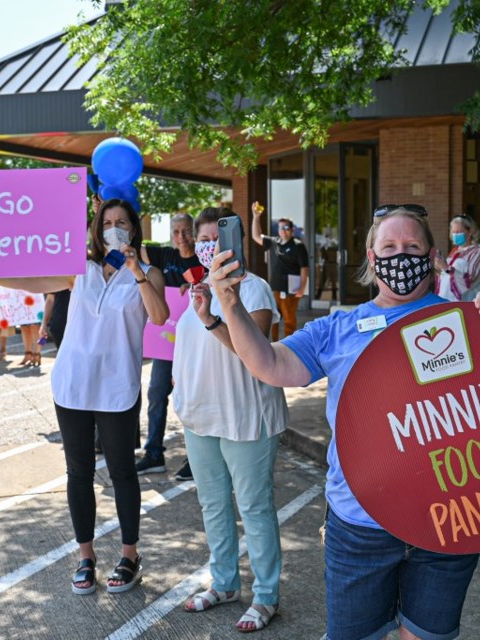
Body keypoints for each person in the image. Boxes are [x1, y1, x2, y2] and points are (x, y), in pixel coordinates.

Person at [209, 204, 480, 640]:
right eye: (389, 247)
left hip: (448, 518)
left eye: (412, 246)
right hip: (361, 525)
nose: (401, 255)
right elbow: (270, 365)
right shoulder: (338, 328)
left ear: (431, 256)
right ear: (372, 260)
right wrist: (229, 303)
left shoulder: (466, 322)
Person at [0, 198, 168, 595]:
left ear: (134, 228)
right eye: (107, 221)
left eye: (122, 222)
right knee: (78, 473)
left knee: (122, 472)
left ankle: (130, 555)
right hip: (73, 385)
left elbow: (160, 316)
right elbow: (23, 279)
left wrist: (136, 270)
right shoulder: (79, 269)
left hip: (117, 388)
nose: (114, 227)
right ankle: (86, 557)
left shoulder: (149, 273)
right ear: (96, 229)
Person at [175, 207, 287, 633]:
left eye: (215, 238)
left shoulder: (253, 289)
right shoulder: (194, 289)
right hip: (201, 418)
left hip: (246, 417)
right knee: (213, 505)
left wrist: (211, 317)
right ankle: (224, 584)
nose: (207, 245)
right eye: (202, 239)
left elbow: (252, 349)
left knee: (255, 507)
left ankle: (266, 596)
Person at [136, 213, 200, 479]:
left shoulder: (203, 259)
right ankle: (154, 454)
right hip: (166, 344)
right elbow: (129, 245)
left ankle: (196, 460)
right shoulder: (163, 256)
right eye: (176, 232)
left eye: (186, 232)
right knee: (156, 394)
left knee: (193, 400)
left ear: (194, 233)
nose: (181, 237)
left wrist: (196, 285)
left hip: (196, 344)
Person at [250, 202, 308, 340]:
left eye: (287, 227)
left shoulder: (298, 246)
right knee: (274, 319)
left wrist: (302, 288)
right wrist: (256, 217)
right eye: (281, 227)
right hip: (274, 288)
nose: (284, 230)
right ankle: (275, 345)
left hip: (291, 290)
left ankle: (290, 345)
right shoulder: (274, 242)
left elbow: (304, 268)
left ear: (292, 229)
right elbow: (256, 236)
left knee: (289, 320)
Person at [434, 214, 480, 302]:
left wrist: (445, 267)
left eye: (459, 232)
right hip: (448, 302)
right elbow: (446, 277)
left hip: (472, 303)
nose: (455, 235)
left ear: (470, 232)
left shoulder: (479, 252)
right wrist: (438, 267)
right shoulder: (454, 251)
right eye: (453, 232)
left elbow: (469, 278)